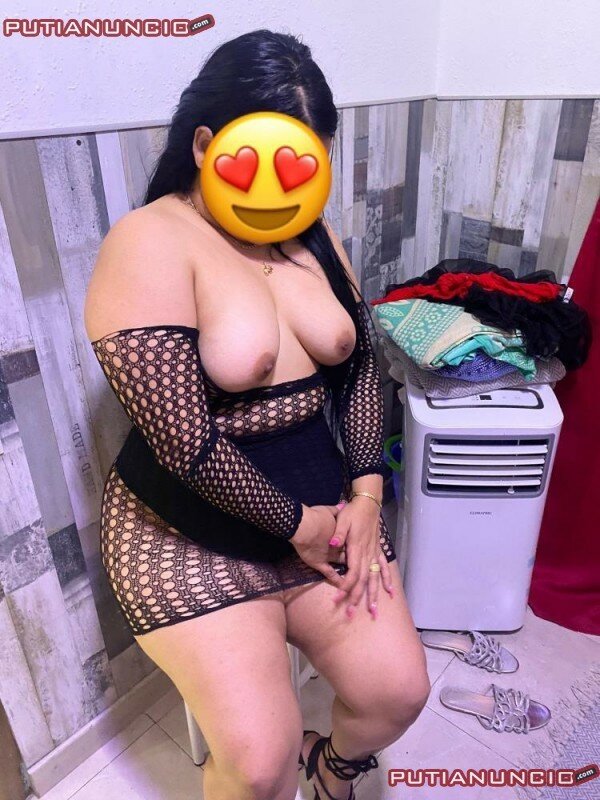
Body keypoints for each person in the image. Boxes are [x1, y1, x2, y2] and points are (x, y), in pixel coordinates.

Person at [84, 29, 430, 800]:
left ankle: (331, 768)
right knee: (259, 764)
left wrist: (368, 492)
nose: (283, 190)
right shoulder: (148, 242)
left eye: (305, 166)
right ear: (206, 145)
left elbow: (360, 364)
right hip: (185, 532)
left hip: (322, 509)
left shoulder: (314, 234)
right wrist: (297, 524)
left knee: (398, 694)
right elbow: (186, 445)